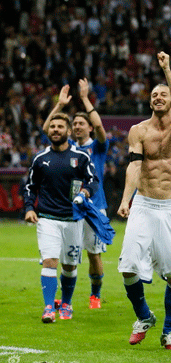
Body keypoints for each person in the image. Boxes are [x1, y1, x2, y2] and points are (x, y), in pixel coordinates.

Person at [117, 52, 171, 350]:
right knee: (128, 268)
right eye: (154, 94)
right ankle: (144, 316)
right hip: (145, 205)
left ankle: (169, 331)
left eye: (164, 94)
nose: (159, 97)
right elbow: (135, 165)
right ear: (149, 102)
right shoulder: (138, 131)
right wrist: (127, 199)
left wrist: (167, 70)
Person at [24, 112, 99, 323]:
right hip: (47, 218)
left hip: (73, 220)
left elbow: (93, 180)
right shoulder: (40, 158)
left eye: (60, 127)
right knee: (49, 261)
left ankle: (66, 303)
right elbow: (30, 187)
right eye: (52, 127)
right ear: (48, 131)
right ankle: (48, 308)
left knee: (69, 266)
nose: (55, 130)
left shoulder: (81, 157)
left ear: (68, 131)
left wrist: (85, 193)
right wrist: (30, 208)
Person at [43, 79, 109, 309]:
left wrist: (84, 98)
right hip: (69, 208)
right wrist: (59, 106)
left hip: (93, 207)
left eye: (83, 123)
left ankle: (95, 294)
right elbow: (47, 129)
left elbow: (101, 128)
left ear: (89, 127)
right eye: (76, 124)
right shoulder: (68, 147)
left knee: (93, 254)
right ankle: (66, 297)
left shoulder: (98, 146)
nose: (79, 126)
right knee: (65, 257)